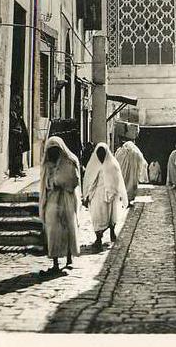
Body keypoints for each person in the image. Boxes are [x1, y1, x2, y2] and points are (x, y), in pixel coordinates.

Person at [39, 136, 81, 275]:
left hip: (67, 199)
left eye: (56, 149)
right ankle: (55, 262)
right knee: (53, 231)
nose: (53, 153)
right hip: (52, 201)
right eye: (50, 150)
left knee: (69, 228)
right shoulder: (46, 165)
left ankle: (69, 258)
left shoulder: (70, 161)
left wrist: (59, 181)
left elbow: (74, 181)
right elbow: (44, 185)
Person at [82, 143, 128, 252]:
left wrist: (114, 192)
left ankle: (112, 231)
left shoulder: (112, 165)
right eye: (99, 154)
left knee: (111, 216)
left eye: (102, 154)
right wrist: (87, 195)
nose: (101, 156)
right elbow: (89, 181)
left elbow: (117, 180)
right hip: (97, 195)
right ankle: (98, 238)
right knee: (97, 217)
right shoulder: (93, 165)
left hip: (111, 195)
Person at [8, 93, 30, 178]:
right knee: (14, 154)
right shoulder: (11, 113)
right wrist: (15, 131)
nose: (17, 104)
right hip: (14, 136)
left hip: (19, 136)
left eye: (18, 102)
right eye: (16, 102)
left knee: (19, 153)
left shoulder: (18, 113)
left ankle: (19, 170)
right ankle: (14, 171)